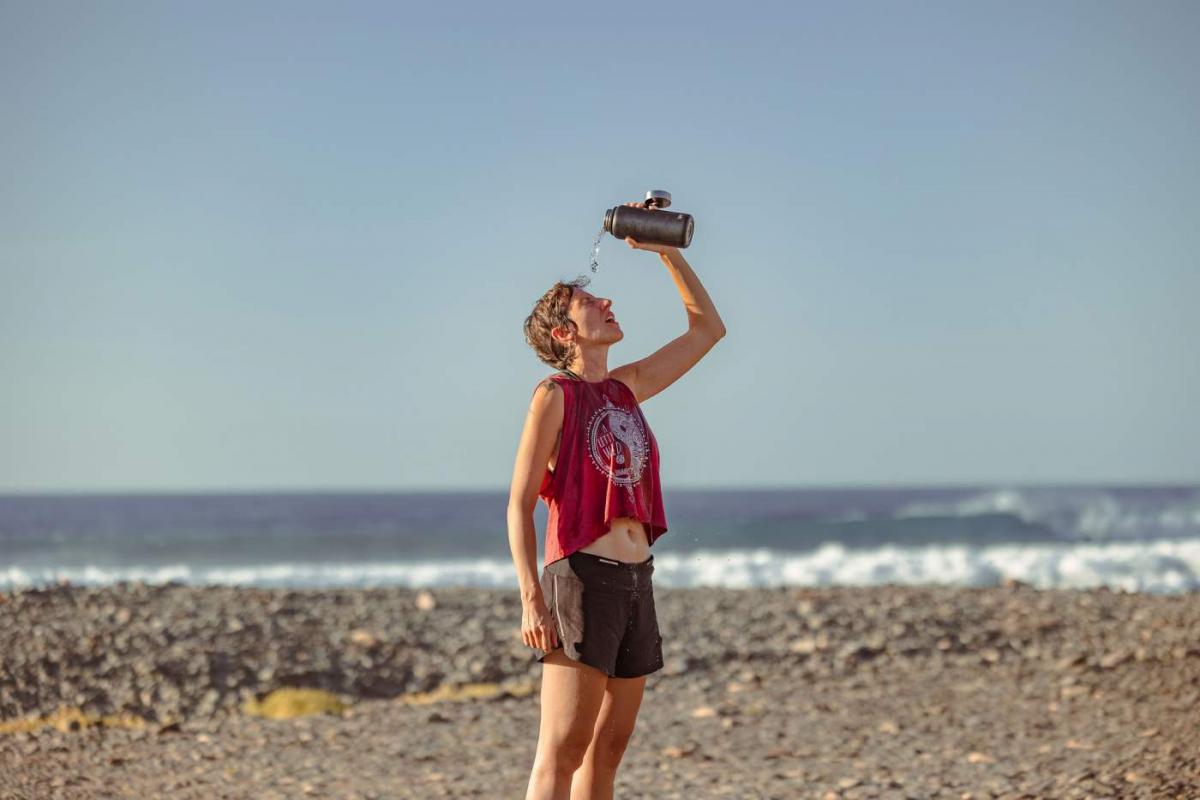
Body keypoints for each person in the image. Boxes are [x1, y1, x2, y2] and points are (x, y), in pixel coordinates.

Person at [508, 201, 726, 800]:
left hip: (636, 580)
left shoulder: (627, 389)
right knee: (563, 751)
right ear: (564, 333)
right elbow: (519, 501)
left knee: (607, 752)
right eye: (592, 305)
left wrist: (667, 253)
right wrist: (531, 597)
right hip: (579, 576)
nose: (608, 304)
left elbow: (708, 330)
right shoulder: (554, 395)